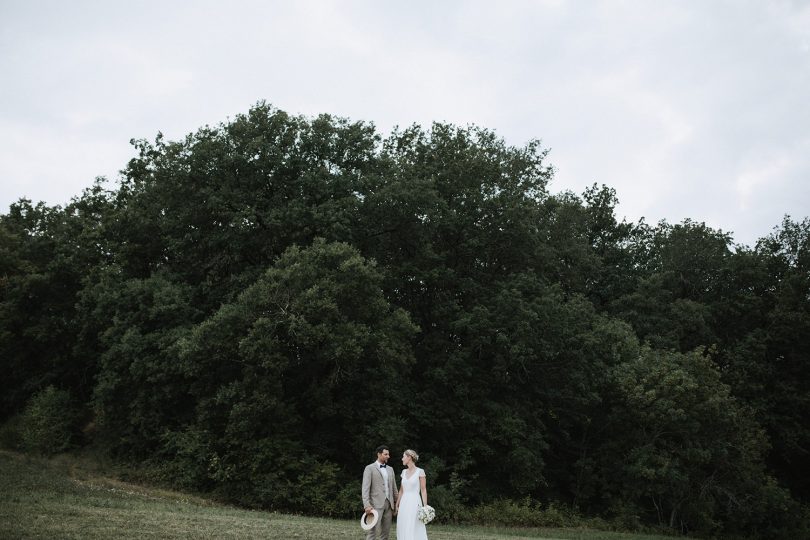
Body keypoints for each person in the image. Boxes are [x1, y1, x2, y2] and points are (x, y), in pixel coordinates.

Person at [361, 445, 398, 540]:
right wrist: (366, 505)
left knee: (385, 533)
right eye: (386, 454)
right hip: (374, 505)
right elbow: (365, 488)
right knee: (372, 532)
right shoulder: (369, 468)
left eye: (388, 454)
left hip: (389, 505)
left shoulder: (390, 469)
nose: (388, 456)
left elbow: (394, 488)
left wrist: (396, 503)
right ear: (379, 454)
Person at [395, 449, 428, 540]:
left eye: (403, 457)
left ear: (409, 457)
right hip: (404, 502)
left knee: (413, 524)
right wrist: (397, 504)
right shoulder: (403, 472)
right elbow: (401, 490)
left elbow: (423, 490)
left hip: (414, 501)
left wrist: (425, 506)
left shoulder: (420, 471)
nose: (402, 459)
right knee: (403, 523)